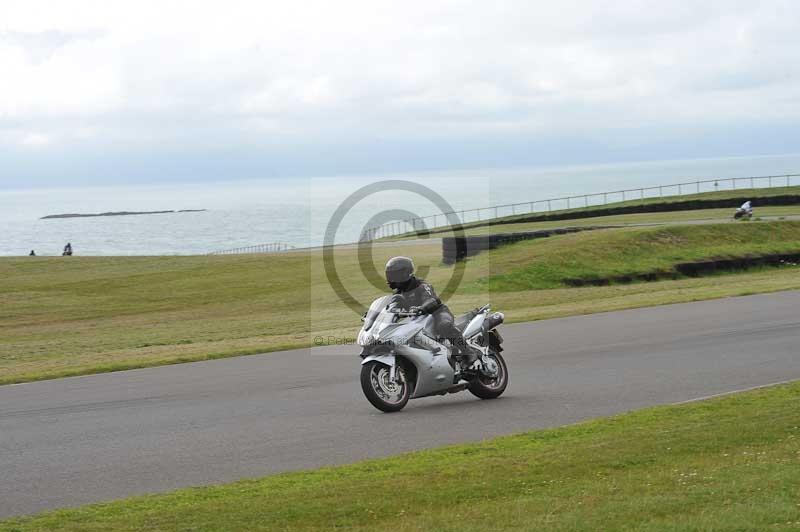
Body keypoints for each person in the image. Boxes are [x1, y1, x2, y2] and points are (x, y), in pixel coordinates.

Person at [384, 256, 478, 368]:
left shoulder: (421, 285)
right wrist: (381, 314)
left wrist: (422, 308)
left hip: (437, 314)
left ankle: (468, 352)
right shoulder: (398, 293)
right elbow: (392, 306)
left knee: (444, 326)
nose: (391, 278)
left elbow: (432, 300)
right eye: (390, 275)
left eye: (394, 275)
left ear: (405, 273)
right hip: (417, 320)